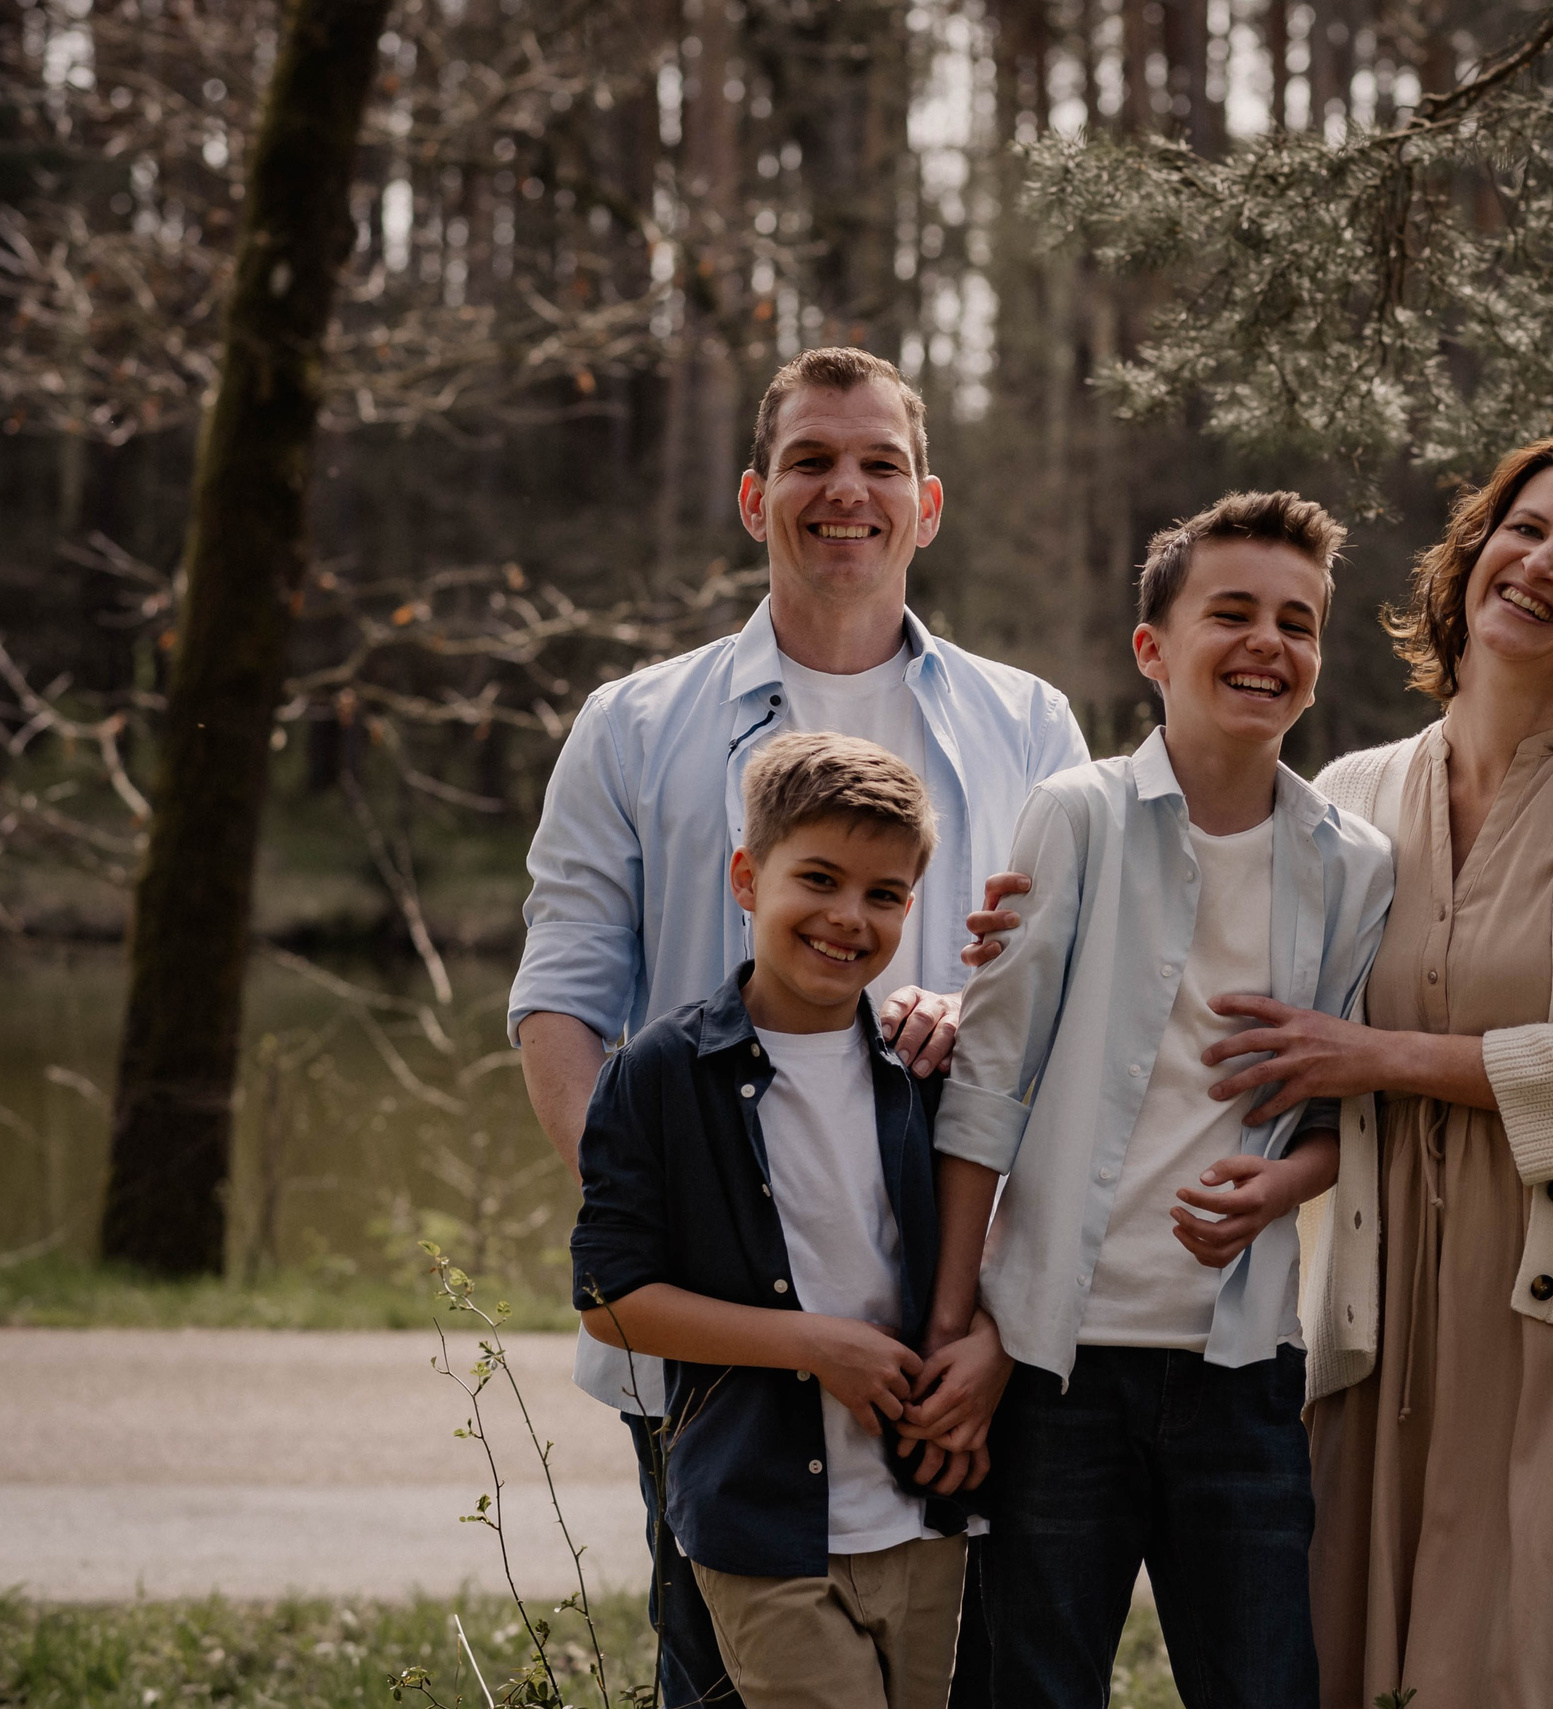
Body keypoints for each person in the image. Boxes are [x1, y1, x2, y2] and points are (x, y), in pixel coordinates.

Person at [508, 346, 1087, 1708]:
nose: (849, 491)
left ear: (927, 503)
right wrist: (678, 1256)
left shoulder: (1032, 724)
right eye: (816, 461)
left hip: (963, 1349)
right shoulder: (634, 725)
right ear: (756, 494)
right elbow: (560, 1004)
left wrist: (1003, 1317)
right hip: (723, 1364)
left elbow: (1079, 1025)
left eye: (880, 461)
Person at [1190, 439, 1553, 1709]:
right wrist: (1000, 950)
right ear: (1474, 555)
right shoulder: (1347, 795)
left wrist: (1380, 1053)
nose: (1540, 564)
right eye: (1524, 529)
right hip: (1377, 1326)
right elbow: (1230, 1008)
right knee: (1351, 1668)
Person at [929, 491, 1395, 1709]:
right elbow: (988, 1081)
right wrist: (953, 1326)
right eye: (1230, 612)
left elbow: (1342, 1105)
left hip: (1241, 1371)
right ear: (1153, 648)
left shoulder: (1353, 863)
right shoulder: (1077, 815)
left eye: (1296, 621)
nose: (1266, 642)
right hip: (1051, 1368)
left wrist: (1284, 1184)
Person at [572, 733, 1008, 1709]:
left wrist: (992, 1348)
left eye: (885, 893)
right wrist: (817, 1345)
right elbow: (610, 1296)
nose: (848, 916)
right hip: (763, 1518)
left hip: (931, 1511)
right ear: (745, 874)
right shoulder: (659, 1074)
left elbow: (998, 1239)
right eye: (818, 877)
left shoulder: (925, 1067)